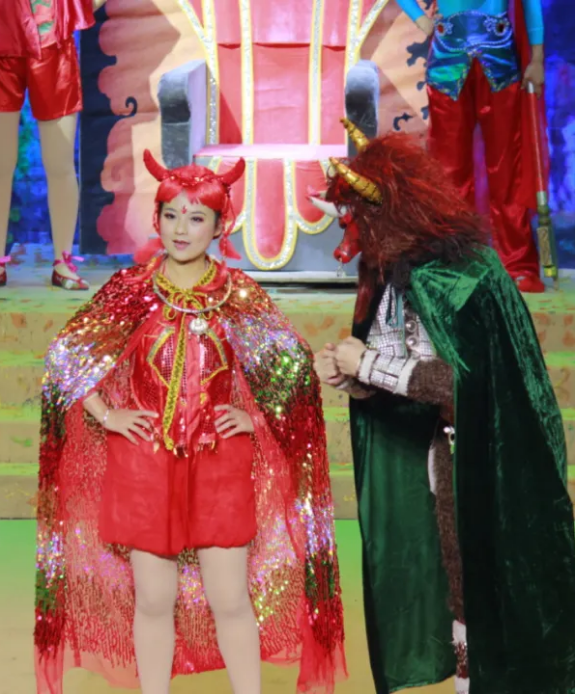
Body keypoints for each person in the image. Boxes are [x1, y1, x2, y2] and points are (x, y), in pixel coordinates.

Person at [34, 151, 347, 694]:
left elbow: (293, 371)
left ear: (220, 227)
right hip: (143, 463)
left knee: (230, 598)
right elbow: (66, 359)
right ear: (156, 220)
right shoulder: (131, 289)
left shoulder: (237, 294)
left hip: (220, 462)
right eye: (171, 215)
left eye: (197, 217)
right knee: (154, 600)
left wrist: (253, 417)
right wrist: (108, 414)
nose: (182, 229)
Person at [312, 120, 574, 694]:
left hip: (489, 462)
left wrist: (368, 365)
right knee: (459, 590)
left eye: (357, 221)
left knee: (491, 590)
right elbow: (400, 375)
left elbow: (469, 384)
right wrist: (353, 378)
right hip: (443, 457)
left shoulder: (461, 276)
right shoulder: (396, 274)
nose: (351, 239)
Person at [396, 0, 547, 293]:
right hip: (447, 62)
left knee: (507, 169)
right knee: (448, 171)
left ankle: (517, 264)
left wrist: (537, 58)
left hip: (499, 62)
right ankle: (452, 262)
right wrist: (420, 19)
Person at [0, 0, 107, 289]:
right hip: (3, 40)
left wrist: (77, 9)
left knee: (60, 164)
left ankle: (63, 262)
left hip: (53, 44)